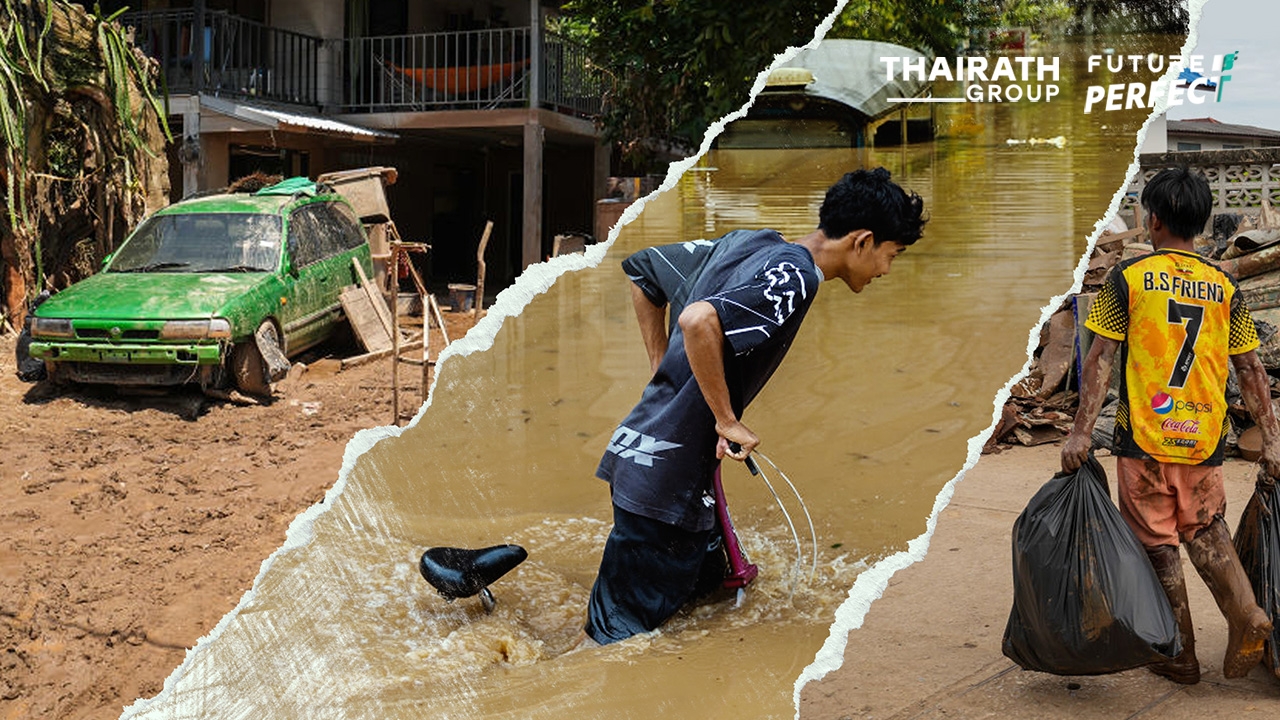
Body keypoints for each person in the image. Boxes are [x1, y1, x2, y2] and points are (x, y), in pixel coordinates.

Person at [583, 167, 927, 645]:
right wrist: (725, 419)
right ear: (863, 241)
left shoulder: (750, 242)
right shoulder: (798, 278)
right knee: (611, 643)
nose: (886, 270)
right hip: (667, 484)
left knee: (709, 604)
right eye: (891, 255)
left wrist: (666, 373)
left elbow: (644, 269)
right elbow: (699, 320)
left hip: (646, 457)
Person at [1062, 166, 1279, 684]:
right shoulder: (1225, 285)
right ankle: (1245, 613)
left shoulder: (1128, 279)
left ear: (1153, 221)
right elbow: (1250, 368)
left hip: (1146, 438)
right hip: (1204, 437)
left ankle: (1178, 654)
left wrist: (1079, 432)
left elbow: (1098, 361)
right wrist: (1272, 437)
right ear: (1201, 223)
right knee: (1206, 527)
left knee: (1155, 541)